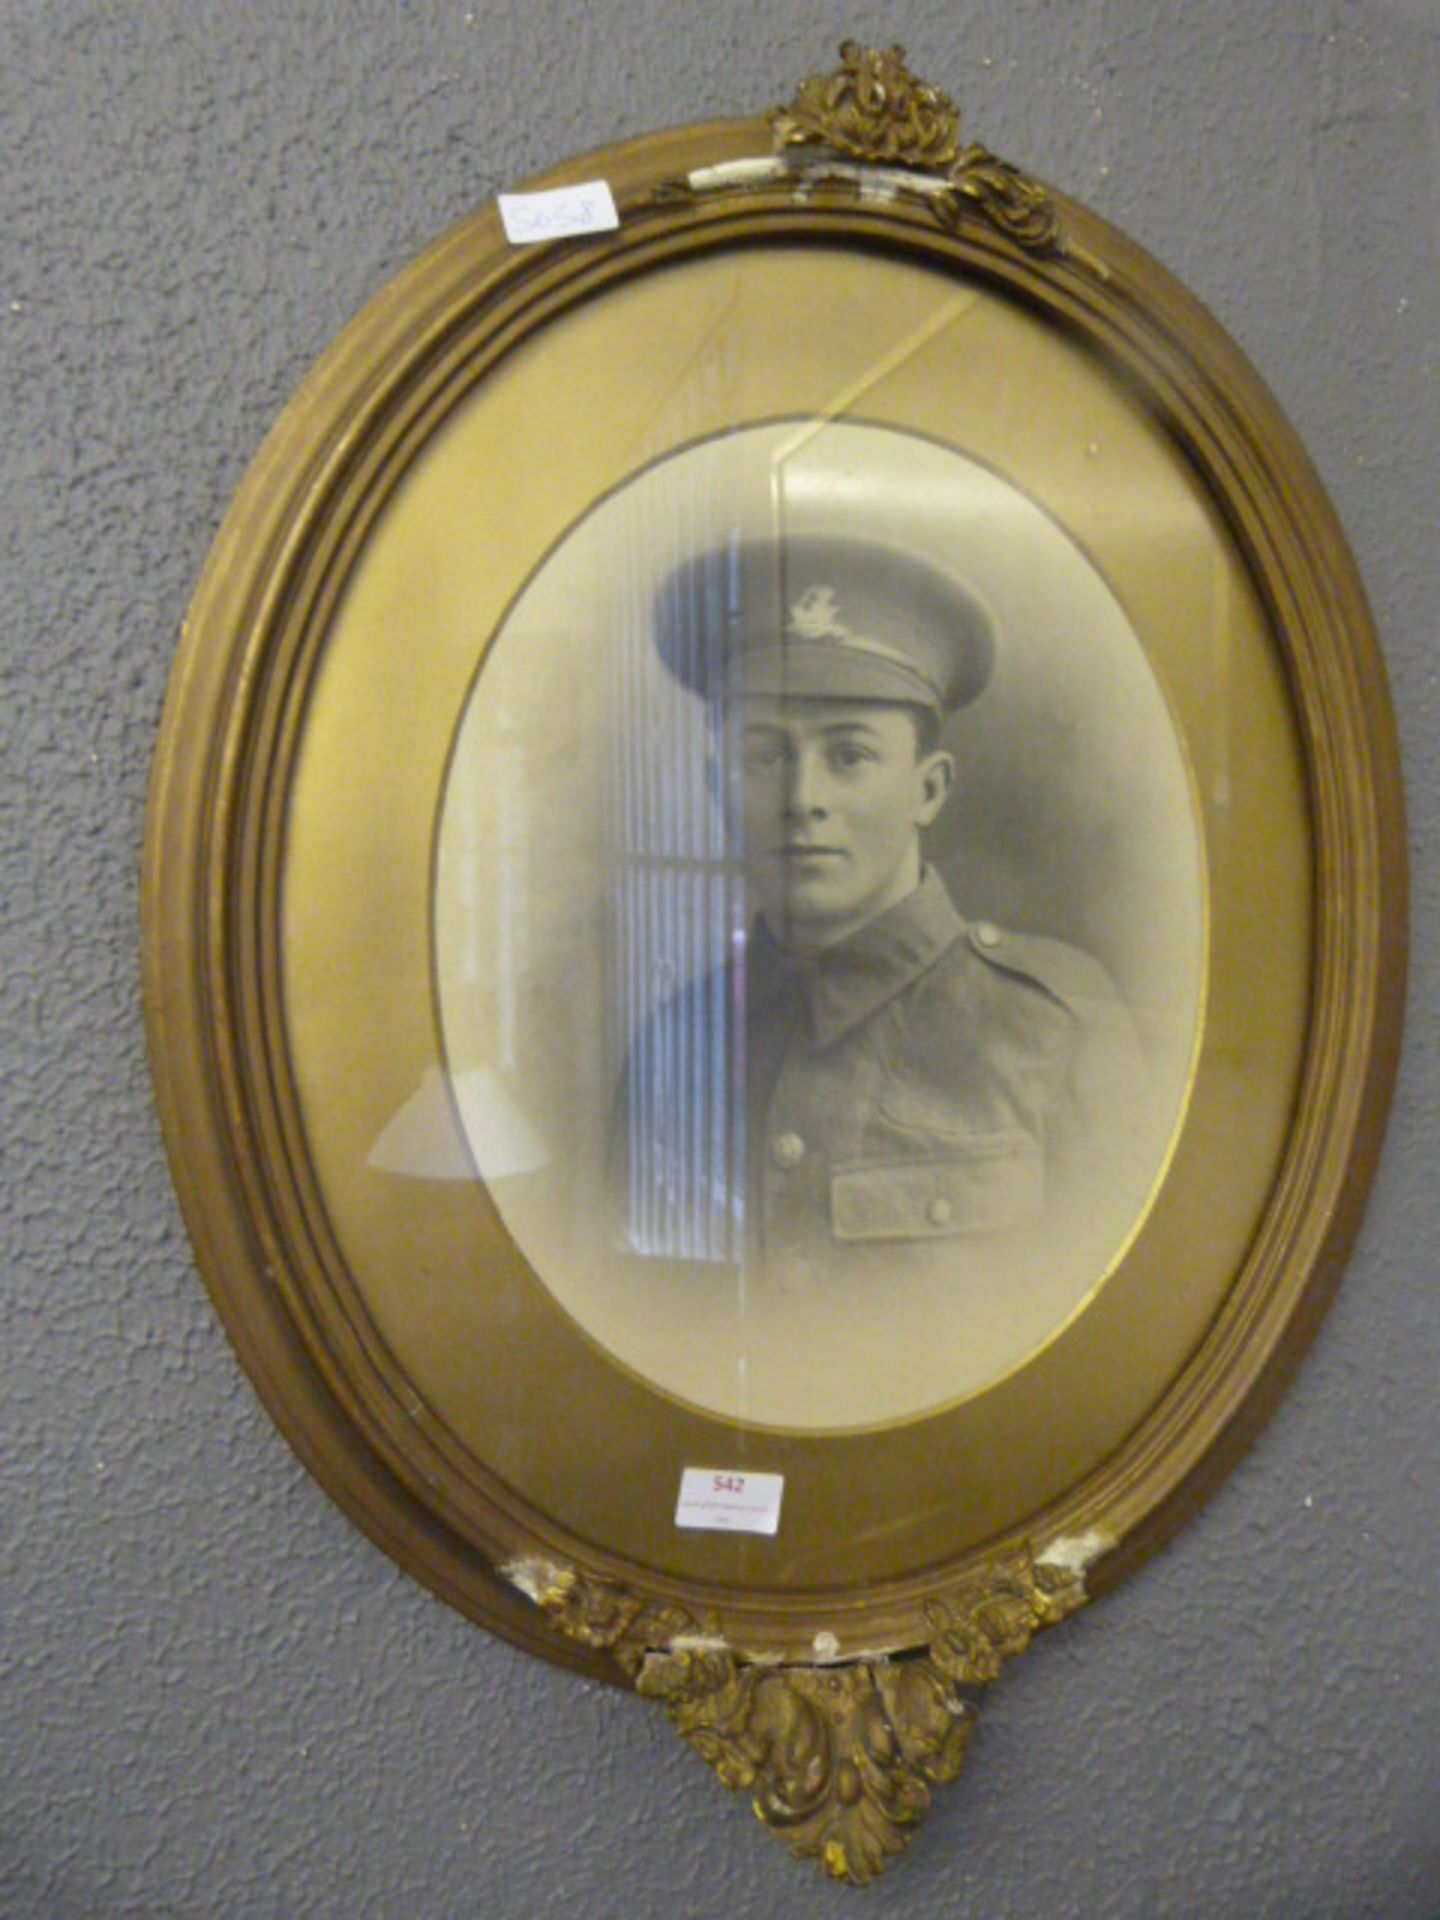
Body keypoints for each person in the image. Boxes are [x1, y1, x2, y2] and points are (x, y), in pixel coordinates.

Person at [614, 533, 1152, 1295]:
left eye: (849, 756)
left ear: (928, 790)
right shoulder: (674, 1049)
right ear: (715, 787)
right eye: (765, 757)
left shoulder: (1057, 1032)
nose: (803, 800)